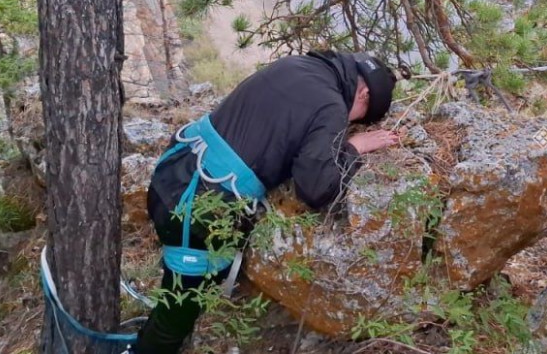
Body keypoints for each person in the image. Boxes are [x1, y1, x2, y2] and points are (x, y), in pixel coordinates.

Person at [132, 50, 400, 354]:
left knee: (178, 295)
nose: (349, 124)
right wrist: (352, 147)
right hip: (201, 209)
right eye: (358, 119)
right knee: (174, 319)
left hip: (176, 171)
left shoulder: (301, 64)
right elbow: (314, 189)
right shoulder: (331, 105)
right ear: (363, 94)